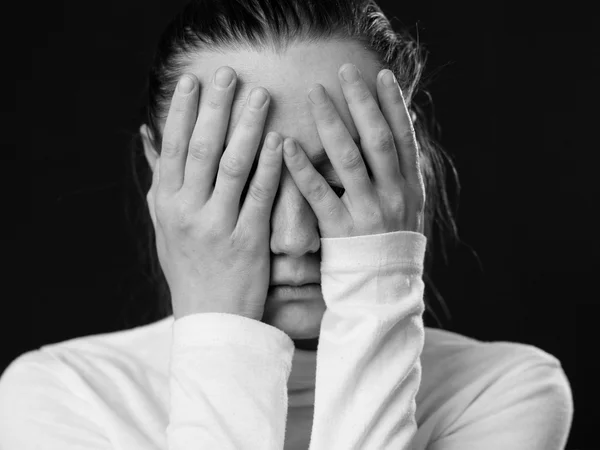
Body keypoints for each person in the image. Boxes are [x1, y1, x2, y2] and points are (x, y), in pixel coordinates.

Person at [0, 0, 574, 448]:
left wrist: (376, 284)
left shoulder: (501, 391)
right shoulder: (62, 395)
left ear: (406, 165)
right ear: (159, 172)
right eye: (242, 182)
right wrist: (222, 324)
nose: (296, 238)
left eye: (342, 178)